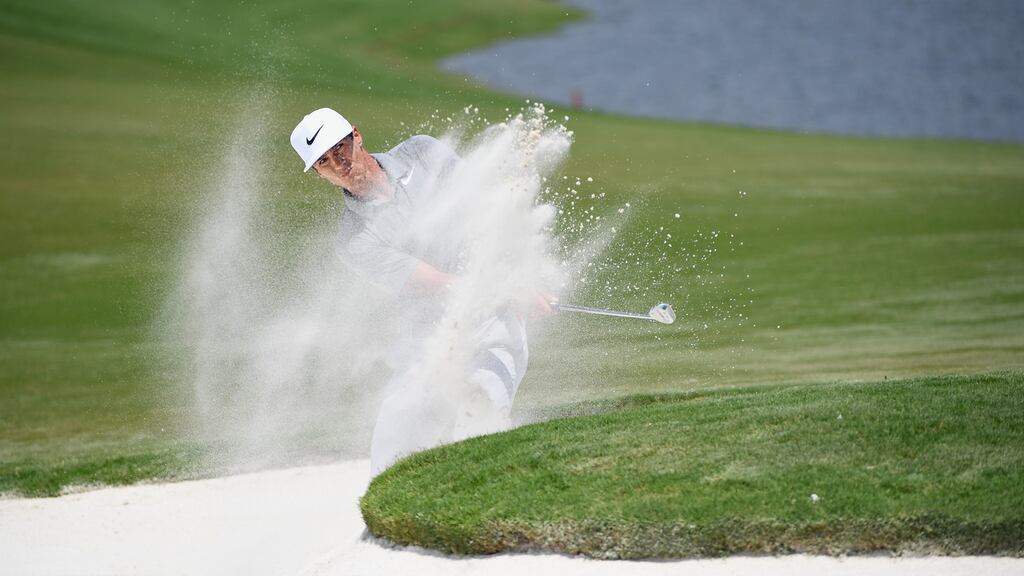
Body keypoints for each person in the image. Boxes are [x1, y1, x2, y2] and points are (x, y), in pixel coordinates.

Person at [290, 107, 551, 476]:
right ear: (318, 173)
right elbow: (437, 283)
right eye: (324, 161)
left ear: (356, 135)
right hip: (426, 340)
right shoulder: (355, 240)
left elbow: (487, 210)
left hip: (492, 325)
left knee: (480, 413)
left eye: (340, 148)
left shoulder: (422, 153)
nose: (338, 163)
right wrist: (504, 287)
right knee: (391, 452)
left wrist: (518, 278)